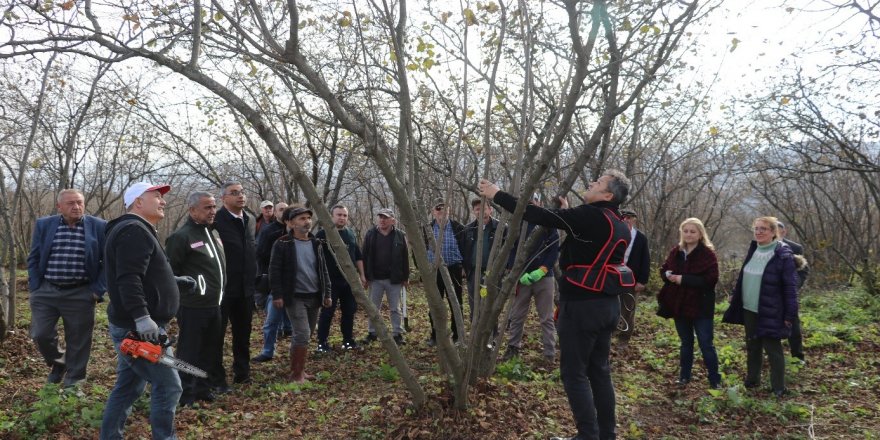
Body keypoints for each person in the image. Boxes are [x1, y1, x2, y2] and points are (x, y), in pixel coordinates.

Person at [479, 170, 634, 440]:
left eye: (597, 183)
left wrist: (497, 195)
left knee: (574, 374)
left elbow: (540, 216)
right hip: (608, 306)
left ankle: (587, 436)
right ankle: (606, 434)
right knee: (599, 371)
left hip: (582, 307)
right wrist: (570, 213)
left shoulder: (590, 216)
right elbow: (586, 233)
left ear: (607, 195)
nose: (590, 183)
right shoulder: (618, 221)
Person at [100, 182, 184, 440]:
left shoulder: (135, 230)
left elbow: (141, 274)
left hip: (136, 324)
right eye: (157, 196)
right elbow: (128, 279)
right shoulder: (133, 230)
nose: (163, 201)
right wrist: (142, 318)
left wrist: (175, 281)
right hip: (140, 330)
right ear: (138, 202)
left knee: (128, 387)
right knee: (169, 386)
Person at [27, 188, 107, 388]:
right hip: (46, 290)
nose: (76, 207)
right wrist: (36, 285)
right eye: (71, 203)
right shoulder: (45, 224)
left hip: (81, 291)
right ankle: (59, 362)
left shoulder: (99, 226)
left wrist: (97, 290)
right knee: (41, 334)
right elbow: (34, 256)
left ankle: (74, 381)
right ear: (59, 206)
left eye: (79, 202)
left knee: (79, 340)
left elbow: (109, 261)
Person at [722, 216, 799, 398]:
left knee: (773, 349)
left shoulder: (783, 254)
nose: (759, 232)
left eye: (763, 229)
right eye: (756, 228)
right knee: (753, 345)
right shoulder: (754, 249)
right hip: (749, 308)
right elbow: (744, 275)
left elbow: (790, 287)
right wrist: (736, 293)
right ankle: (752, 380)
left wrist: (790, 313)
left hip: (770, 309)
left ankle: (778, 387)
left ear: (774, 232)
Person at [165, 191, 226, 406]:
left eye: (213, 207)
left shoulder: (213, 233)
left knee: (209, 350)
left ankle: (202, 388)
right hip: (192, 306)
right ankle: (184, 393)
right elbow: (169, 273)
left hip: (214, 305)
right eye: (207, 207)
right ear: (192, 210)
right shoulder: (181, 237)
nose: (212, 211)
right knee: (189, 352)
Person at [268, 206, 332, 382]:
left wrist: (327, 293)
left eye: (308, 218)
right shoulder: (282, 243)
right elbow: (274, 271)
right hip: (294, 297)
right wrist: (277, 295)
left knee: (306, 334)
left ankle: (299, 370)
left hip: (314, 296)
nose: (307, 222)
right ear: (290, 223)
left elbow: (323, 270)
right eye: (301, 219)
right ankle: (296, 375)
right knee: (302, 333)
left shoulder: (316, 243)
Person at [657, 218, 721, 389]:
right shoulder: (676, 251)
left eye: (693, 231)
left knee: (706, 343)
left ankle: (715, 380)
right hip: (680, 304)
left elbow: (711, 280)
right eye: (685, 231)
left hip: (701, 305)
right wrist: (668, 275)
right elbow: (663, 270)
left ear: (700, 234)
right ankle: (684, 377)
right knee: (686, 342)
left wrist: (683, 279)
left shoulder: (708, 254)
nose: (689, 234)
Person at [502, 195, 560, 364]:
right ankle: (513, 348)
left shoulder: (548, 223)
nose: (531, 203)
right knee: (517, 315)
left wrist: (541, 270)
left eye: (534, 200)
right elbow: (510, 251)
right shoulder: (516, 224)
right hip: (522, 278)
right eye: (528, 200)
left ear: (539, 203)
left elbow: (554, 250)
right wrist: (517, 272)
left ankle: (549, 353)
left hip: (544, 278)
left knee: (546, 317)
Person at [213, 181, 258, 386]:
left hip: (245, 289)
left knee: (243, 334)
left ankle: (242, 374)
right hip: (223, 289)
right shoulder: (216, 221)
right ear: (224, 198)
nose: (240, 196)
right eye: (234, 193)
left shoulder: (249, 220)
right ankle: (216, 377)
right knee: (217, 335)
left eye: (242, 192)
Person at [315, 204, 367, 352]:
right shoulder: (322, 234)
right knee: (327, 312)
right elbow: (316, 258)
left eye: (344, 215)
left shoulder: (350, 234)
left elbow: (358, 256)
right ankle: (322, 343)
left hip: (348, 281)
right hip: (330, 281)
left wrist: (362, 275)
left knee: (349, 311)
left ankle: (348, 341)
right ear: (332, 216)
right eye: (339, 215)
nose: (342, 218)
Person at [361, 208, 410, 346]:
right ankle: (372, 333)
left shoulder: (400, 235)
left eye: (386, 217)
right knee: (373, 307)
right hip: (375, 278)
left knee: (395, 308)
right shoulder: (370, 234)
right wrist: (364, 276)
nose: (382, 220)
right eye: (380, 217)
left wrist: (405, 277)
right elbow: (364, 255)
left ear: (393, 220)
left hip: (394, 278)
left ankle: (397, 333)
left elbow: (405, 257)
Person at [252, 201, 292, 362]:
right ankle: (268, 351)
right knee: (271, 319)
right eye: (281, 210)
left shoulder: (295, 230)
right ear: (275, 212)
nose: (284, 212)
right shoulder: (269, 231)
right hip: (272, 280)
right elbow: (260, 253)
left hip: (292, 281)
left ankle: (291, 339)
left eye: (286, 210)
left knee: (294, 319)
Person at [425, 197, 466, 346]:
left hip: (454, 269)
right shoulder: (427, 228)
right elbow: (418, 251)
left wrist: (465, 269)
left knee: (456, 303)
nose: (441, 211)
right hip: (434, 272)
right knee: (435, 304)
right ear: (433, 212)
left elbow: (466, 249)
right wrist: (423, 270)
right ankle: (435, 336)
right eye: (438, 208)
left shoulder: (458, 227)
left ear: (449, 210)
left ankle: (457, 335)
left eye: (444, 208)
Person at [462, 198, 501, 326]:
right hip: (474, 273)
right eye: (477, 209)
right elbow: (464, 250)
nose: (481, 211)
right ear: (474, 212)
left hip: (492, 273)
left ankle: (491, 336)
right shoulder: (467, 229)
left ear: (490, 210)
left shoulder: (500, 228)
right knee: (475, 304)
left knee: (490, 304)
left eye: (484, 208)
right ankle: (475, 333)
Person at [616, 208, 650, 347]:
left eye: (630, 218)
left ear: (634, 219)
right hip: (614, 278)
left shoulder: (640, 238)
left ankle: (624, 338)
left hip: (632, 279)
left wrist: (642, 281)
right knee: (611, 307)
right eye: (624, 217)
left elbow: (645, 260)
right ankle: (610, 333)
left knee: (628, 309)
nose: (627, 220)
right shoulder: (615, 234)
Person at [777, 221, 809, 363]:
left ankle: (798, 356)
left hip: (788, 294)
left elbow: (803, 271)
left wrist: (794, 286)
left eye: (778, 231)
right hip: (769, 294)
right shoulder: (762, 246)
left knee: (793, 324)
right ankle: (774, 356)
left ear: (784, 232)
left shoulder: (795, 247)